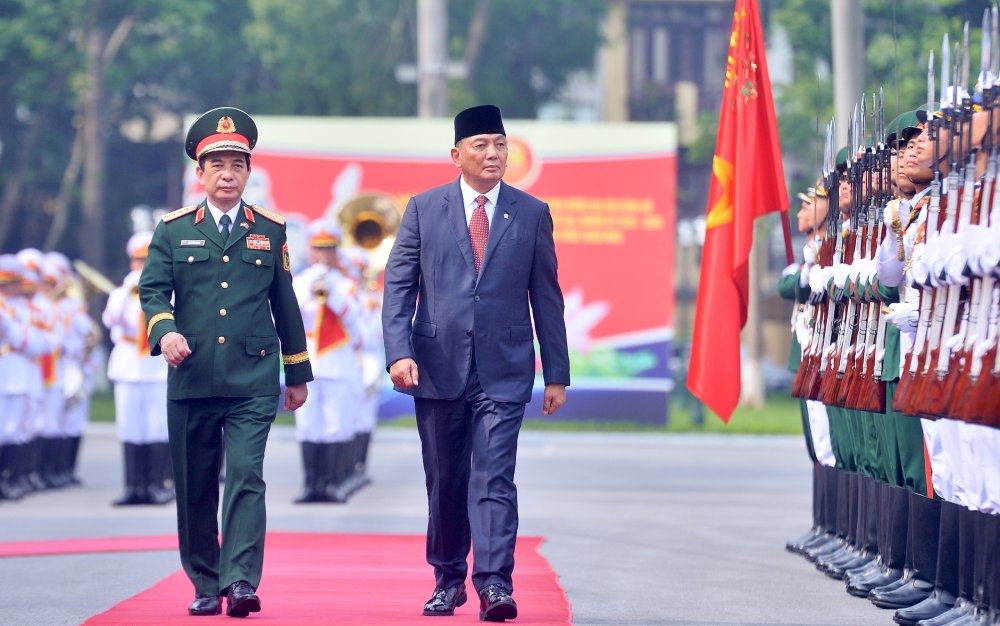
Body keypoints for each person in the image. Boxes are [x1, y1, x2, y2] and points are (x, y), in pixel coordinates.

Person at [382, 104, 570, 622]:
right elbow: (399, 285)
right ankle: (447, 580)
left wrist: (556, 373)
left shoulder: (531, 212)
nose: (493, 154)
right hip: (437, 366)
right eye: (482, 145)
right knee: (445, 480)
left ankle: (495, 585)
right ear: (456, 155)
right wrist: (398, 351)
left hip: (505, 370)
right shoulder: (424, 208)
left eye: (500, 145)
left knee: (493, 478)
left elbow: (546, 297)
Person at [139, 106, 313, 618]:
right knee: (195, 484)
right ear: (200, 173)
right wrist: (164, 330)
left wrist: (297, 373)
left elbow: (286, 304)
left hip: (252, 376)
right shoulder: (171, 231)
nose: (227, 174)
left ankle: (239, 581)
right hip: (191, 375)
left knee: (245, 473)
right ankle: (203, 579)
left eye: (237, 164)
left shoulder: (270, 231)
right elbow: (152, 291)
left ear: (248, 172)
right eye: (217, 165)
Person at [291, 219, 364, 503]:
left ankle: (334, 483)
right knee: (308, 424)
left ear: (337, 252)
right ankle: (311, 484)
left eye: (329, 249)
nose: (323, 255)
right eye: (318, 249)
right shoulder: (299, 283)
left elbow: (357, 330)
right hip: (308, 361)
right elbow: (287, 318)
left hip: (338, 363)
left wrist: (332, 297)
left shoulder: (346, 286)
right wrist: (308, 292)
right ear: (310, 251)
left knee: (336, 424)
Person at [103, 231, 173, 505]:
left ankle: (157, 485)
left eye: (147, 259)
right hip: (128, 364)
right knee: (130, 427)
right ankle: (133, 486)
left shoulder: (170, 289)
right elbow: (111, 318)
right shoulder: (122, 292)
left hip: (155, 367)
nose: (142, 265)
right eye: (137, 260)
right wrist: (129, 289)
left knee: (157, 427)